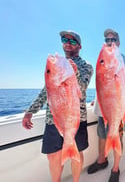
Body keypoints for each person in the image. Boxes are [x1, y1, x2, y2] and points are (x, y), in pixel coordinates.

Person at [22, 30, 93, 182]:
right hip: (53, 118)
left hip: (76, 118)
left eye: (73, 41)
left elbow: (82, 88)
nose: (68, 43)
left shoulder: (86, 66)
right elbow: (46, 90)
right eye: (64, 39)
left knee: (76, 153)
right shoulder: (58, 65)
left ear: (79, 46)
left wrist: (75, 73)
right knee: (53, 155)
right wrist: (30, 111)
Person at [87, 28, 125, 182]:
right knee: (101, 134)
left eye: (113, 39)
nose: (110, 42)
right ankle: (101, 160)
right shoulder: (102, 56)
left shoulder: (122, 58)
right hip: (102, 104)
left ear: (118, 42)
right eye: (107, 40)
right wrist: (95, 97)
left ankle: (116, 168)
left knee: (117, 135)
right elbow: (100, 80)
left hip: (116, 106)